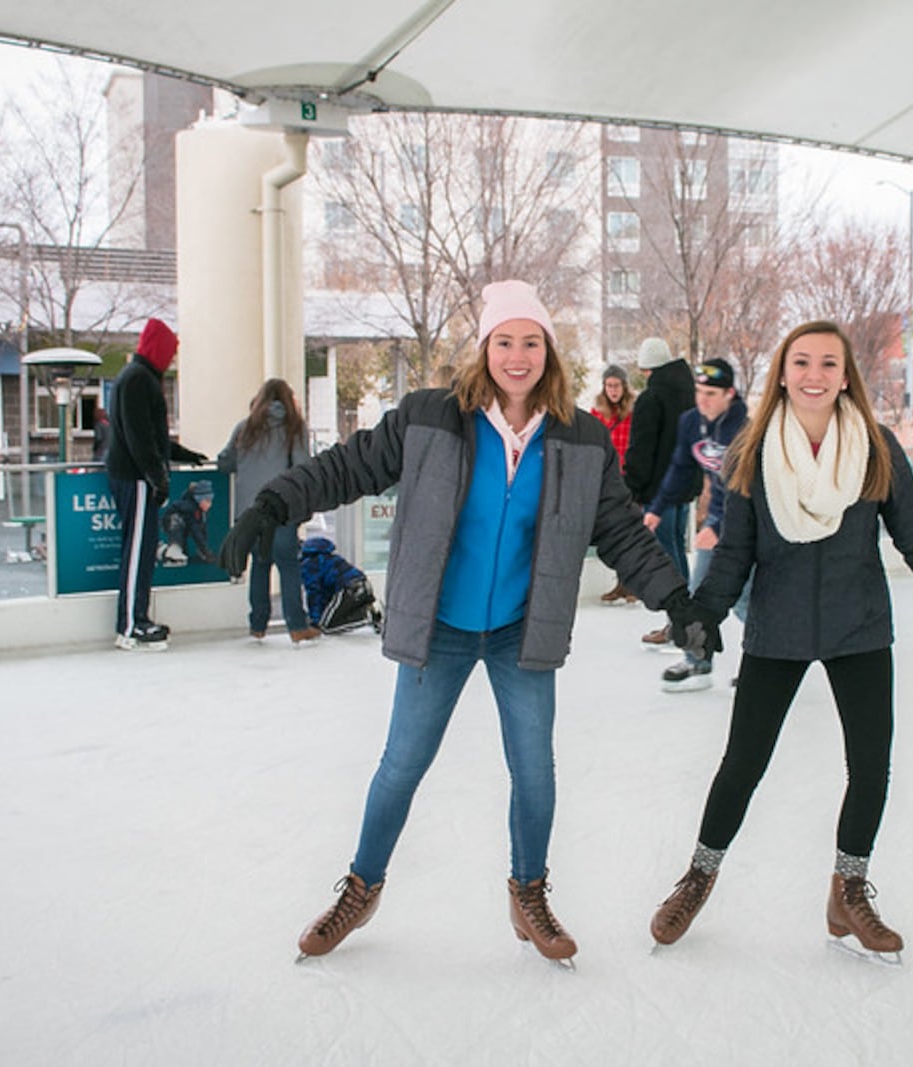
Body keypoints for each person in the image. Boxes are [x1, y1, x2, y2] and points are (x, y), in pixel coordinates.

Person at [218, 280, 714, 964]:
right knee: (401, 766)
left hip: (521, 629)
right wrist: (272, 503)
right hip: (439, 627)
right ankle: (361, 888)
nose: (518, 356)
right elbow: (346, 467)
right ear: (485, 348)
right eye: (504, 341)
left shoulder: (581, 436)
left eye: (531, 342)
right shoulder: (430, 419)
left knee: (535, 771)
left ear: (549, 351)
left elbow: (623, 534)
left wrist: (677, 599)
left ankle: (528, 891)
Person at [647, 320, 913, 957]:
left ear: (845, 375)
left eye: (828, 363)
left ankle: (849, 889)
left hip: (857, 624)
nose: (814, 374)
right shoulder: (752, 449)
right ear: (782, 371)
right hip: (776, 628)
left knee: (870, 765)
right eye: (801, 362)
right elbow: (735, 555)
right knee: (742, 764)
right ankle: (698, 876)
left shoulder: (874, 447)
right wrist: (701, 616)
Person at [642, 358, 750, 691]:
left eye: (711, 393)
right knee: (700, 594)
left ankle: (764, 664)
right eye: (699, 391)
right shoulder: (691, 422)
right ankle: (697, 662)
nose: (702, 400)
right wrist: (656, 509)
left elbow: (744, 489)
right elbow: (680, 468)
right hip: (718, 515)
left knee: (746, 600)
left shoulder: (745, 431)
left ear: (730, 394)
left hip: (748, 518)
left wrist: (718, 528)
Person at [104, 318, 207, 651]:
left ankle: (137, 619)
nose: (172, 359)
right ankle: (131, 625)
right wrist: (156, 476)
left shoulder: (140, 378)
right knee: (137, 551)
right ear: (158, 348)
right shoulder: (137, 380)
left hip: (137, 476)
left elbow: (152, 438)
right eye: (171, 352)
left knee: (145, 550)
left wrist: (182, 454)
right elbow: (140, 439)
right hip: (134, 478)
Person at [216, 379, 318, 644]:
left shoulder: (245, 427)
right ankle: (297, 626)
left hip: (251, 511)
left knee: (260, 566)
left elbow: (225, 462)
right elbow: (303, 467)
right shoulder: (294, 428)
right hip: (281, 507)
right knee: (288, 565)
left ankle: (258, 625)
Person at [624, 336, 699, 645]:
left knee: (666, 559)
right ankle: (684, 618)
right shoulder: (691, 394)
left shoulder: (651, 399)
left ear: (646, 368)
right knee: (677, 552)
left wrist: (633, 487)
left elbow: (641, 449)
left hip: (658, 492)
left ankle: (683, 623)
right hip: (683, 488)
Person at [591, 364, 637, 604]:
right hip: (607, 478)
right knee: (615, 533)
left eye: (617, 385)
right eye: (609, 385)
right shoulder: (597, 412)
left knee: (631, 534)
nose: (613, 390)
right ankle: (620, 584)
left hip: (629, 478)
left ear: (624, 386)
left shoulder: (634, 411)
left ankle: (630, 585)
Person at [300, 535, 383, 635]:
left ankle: (368, 615)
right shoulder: (330, 558)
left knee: (326, 627)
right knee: (342, 613)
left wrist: (315, 621)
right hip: (363, 584)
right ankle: (375, 613)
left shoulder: (309, 565)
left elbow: (314, 594)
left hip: (347, 588)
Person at [157, 479, 217, 566]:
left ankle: (171, 551)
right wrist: (205, 550)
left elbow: (201, 530)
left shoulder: (200, 512)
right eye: (207, 501)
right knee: (177, 523)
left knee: (184, 548)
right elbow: (196, 531)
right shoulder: (190, 509)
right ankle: (172, 550)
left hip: (182, 525)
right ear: (199, 499)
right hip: (172, 523)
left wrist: (204, 550)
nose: (210, 504)